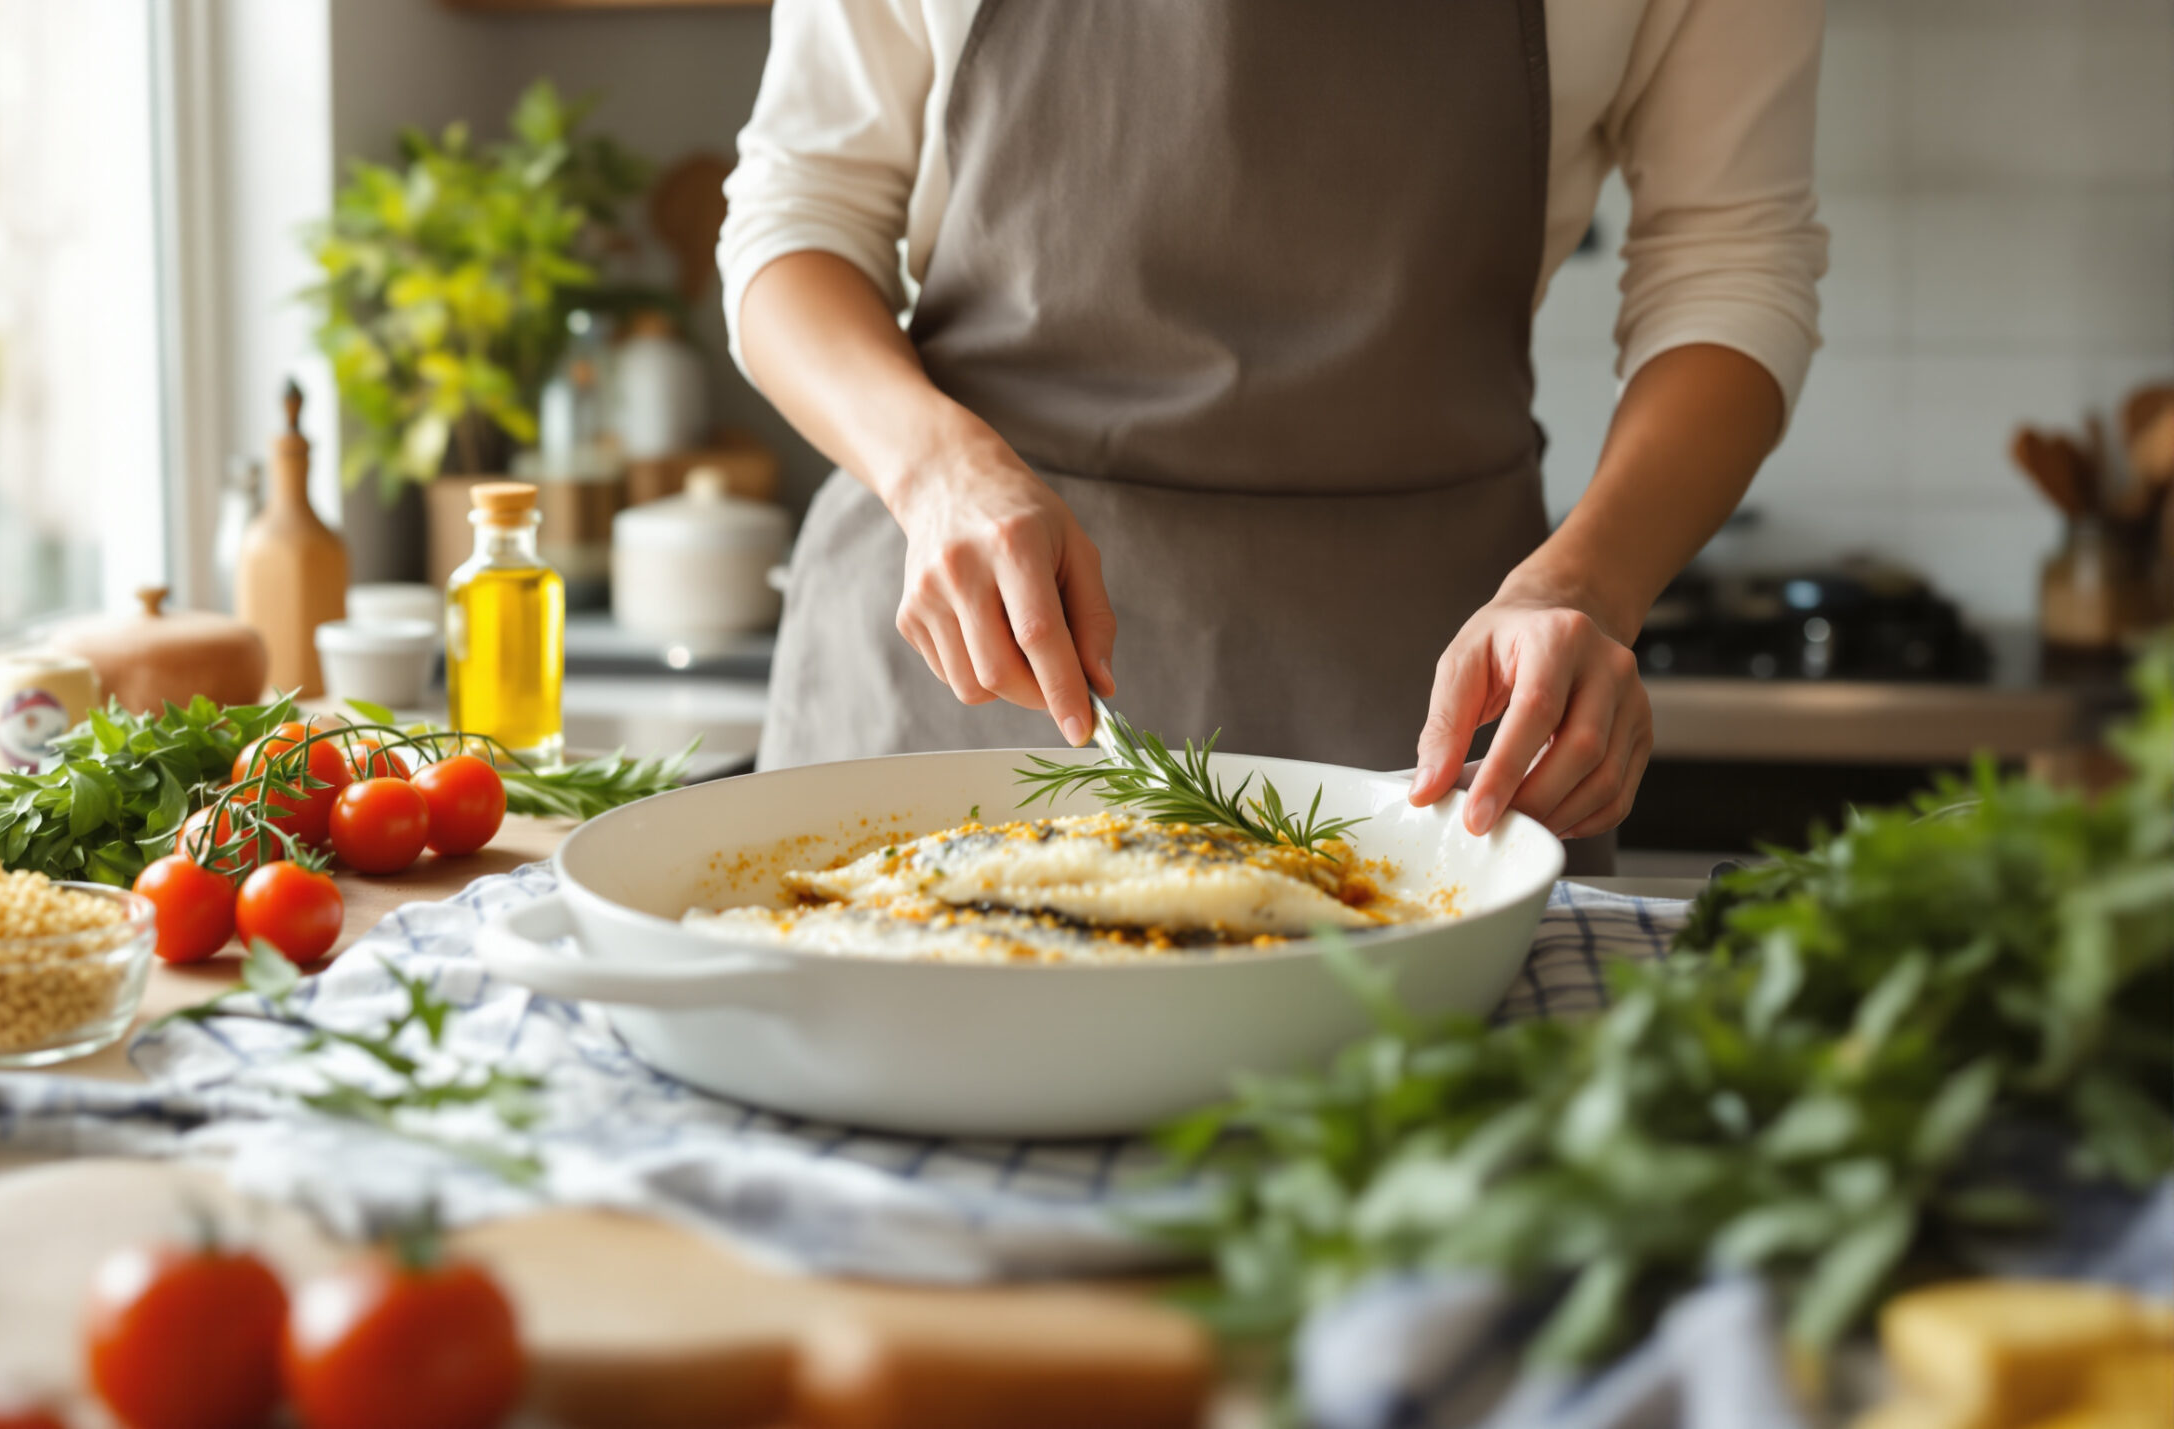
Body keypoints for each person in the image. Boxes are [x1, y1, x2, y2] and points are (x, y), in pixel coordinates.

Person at [718, 0, 1824, 869]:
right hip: (968, 640)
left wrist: (1585, 586)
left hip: (1433, 695)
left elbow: (1728, 266)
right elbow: (799, 212)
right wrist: (937, 471)